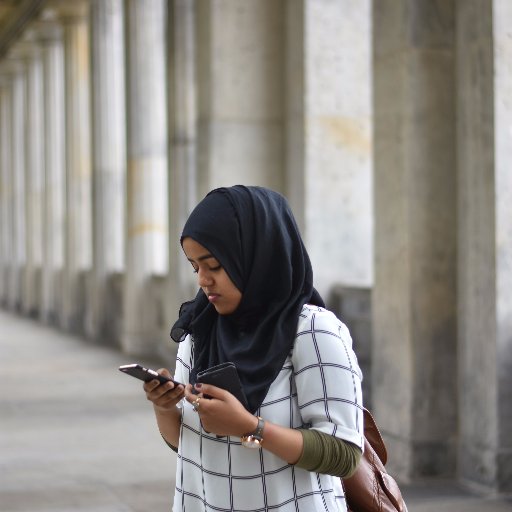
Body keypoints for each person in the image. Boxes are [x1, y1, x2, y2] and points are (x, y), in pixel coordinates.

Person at [143, 185, 364, 512]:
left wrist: (250, 426)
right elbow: (191, 446)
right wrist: (164, 407)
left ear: (256, 255)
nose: (203, 280)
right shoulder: (200, 330)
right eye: (195, 267)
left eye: (214, 265)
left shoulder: (312, 330)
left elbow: (344, 455)